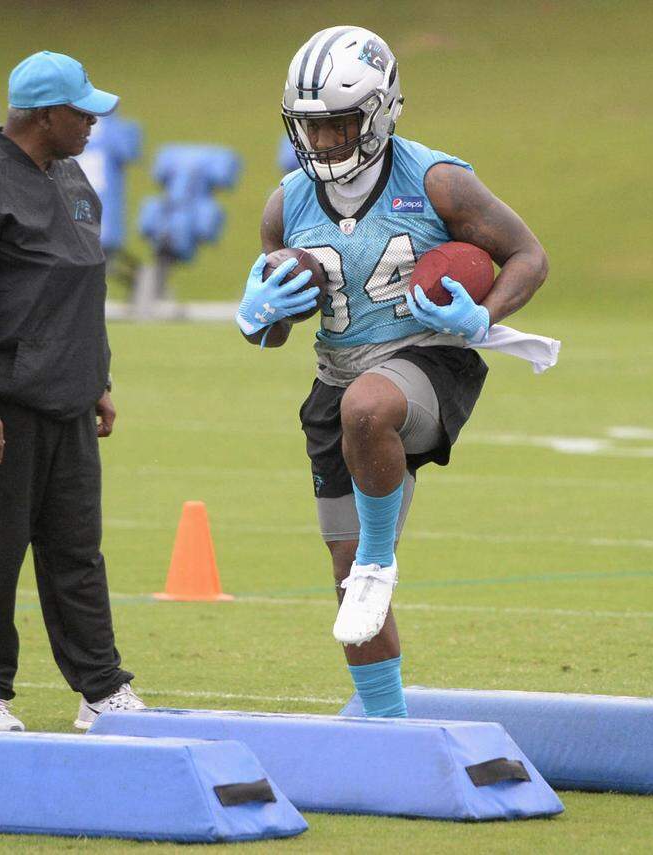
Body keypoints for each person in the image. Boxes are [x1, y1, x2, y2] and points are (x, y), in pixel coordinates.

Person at [236, 27, 556, 718]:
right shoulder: (284, 203)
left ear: (380, 112)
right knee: (347, 587)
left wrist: (485, 313)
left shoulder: (436, 179)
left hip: (430, 359)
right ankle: (388, 727)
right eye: (311, 130)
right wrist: (257, 313)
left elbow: (529, 254)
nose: (324, 145)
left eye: (340, 126)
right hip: (335, 371)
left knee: (366, 408)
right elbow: (276, 330)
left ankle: (381, 558)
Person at [0, 50, 144, 732]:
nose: (93, 123)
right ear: (43, 115)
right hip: (2, 405)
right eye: (82, 112)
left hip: (70, 398)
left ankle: (101, 690)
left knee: (78, 549)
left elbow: (84, 287)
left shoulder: (75, 179)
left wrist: (98, 377)